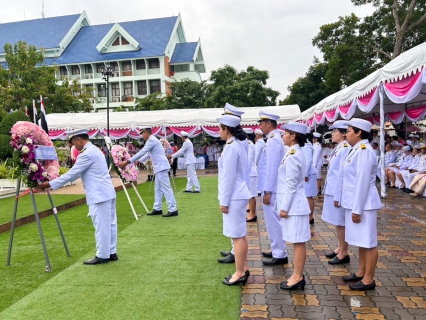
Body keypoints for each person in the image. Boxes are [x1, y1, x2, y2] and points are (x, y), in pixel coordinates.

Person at [38, 129, 117, 265]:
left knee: (101, 225)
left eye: (73, 142)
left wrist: (49, 184)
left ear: (79, 140)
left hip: (99, 195)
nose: (73, 146)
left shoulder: (86, 154)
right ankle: (111, 252)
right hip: (106, 192)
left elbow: (72, 174)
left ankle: (103, 255)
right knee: (109, 224)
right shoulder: (95, 149)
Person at [334, 118, 382, 291]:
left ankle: (369, 279)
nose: (346, 134)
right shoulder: (356, 150)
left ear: (359, 132)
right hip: (356, 203)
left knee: (368, 241)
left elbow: (362, 182)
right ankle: (361, 272)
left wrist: (357, 209)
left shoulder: (365, 151)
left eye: (349, 130)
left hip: (364, 204)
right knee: (362, 241)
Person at [217, 114, 251, 286]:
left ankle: (239, 272)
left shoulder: (231, 147)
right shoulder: (236, 145)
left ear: (227, 129)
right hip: (239, 193)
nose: (219, 132)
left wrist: (224, 200)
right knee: (241, 234)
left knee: (237, 236)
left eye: (220, 128)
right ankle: (243, 268)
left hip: (235, 195)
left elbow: (228, 177)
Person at [276, 122, 310, 290]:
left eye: (285, 133)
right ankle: (297, 275)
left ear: (294, 136)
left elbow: (291, 184)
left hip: (295, 206)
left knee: (298, 241)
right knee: (297, 241)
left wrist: (284, 207)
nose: (283, 136)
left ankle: (297, 277)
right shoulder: (291, 152)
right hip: (294, 205)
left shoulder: (295, 154)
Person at [120, 127, 178, 217]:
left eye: (142, 134)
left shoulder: (151, 140)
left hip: (161, 166)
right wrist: (139, 161)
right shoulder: (153, 140)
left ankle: (173, 209)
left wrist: (128, 161)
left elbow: (142, 152)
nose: (142, 136)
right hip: (159, 167)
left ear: (146, 133)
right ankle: (157, 208)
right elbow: (147, 154)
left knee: (166, 188)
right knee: (158, 189)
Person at [258, 110, 288, 266]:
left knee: (273, 221)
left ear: (269, 124)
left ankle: (280, 253)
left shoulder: (273, 141)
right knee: (272, 221)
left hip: (272, 188)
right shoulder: (273, 139)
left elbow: (272, 168)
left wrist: (268, 191)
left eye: (261, 123)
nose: (260, 126)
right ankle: (277, 248)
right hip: (271, 187)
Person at [322, 121, 352, 265]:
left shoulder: (345, 148)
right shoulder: (339, 148)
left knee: (341, 222)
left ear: (343, 134)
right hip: (332, 188)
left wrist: (338, 194)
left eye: (335, 132)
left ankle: (343, 252)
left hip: (337, 190)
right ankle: (339, 248)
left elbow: (342, 173)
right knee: (337, 221)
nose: (332, 134)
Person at [302, 127, 318, 225]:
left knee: (309, 196)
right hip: (306, 173)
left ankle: (310, 217)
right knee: (306, 196)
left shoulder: (307, 145)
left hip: (309, 174)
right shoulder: (305, 144)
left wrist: (306, 174)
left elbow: (308, 161)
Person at [243, 128, 258, 222]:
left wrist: (245, 173)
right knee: (250, 194)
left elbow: (249, 161)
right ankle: (251, 212)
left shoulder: (250, 145)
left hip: (250, 173)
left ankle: (252, 214)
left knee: (252, 194)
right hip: (249, 173)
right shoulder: (248, 144)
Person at [255, 128, 266, 196]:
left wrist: (254, 164)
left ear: (258, 135)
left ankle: (258, 190)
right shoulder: (263, 142)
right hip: (261, 163)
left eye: (256, 134)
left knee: (258, 177)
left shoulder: (259, 143)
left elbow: (256, 154)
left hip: (259, 163)